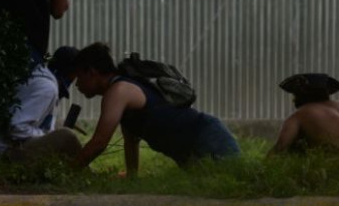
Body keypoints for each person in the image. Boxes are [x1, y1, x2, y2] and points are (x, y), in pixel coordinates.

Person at [71, 42, 240, 174]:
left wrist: (66, 172)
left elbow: (99, 143)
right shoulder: (122, 91)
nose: (77, 84)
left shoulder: (118, 91)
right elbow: (131, 141)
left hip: (209, 140)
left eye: (79, 77)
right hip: (197, 148)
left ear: (91, 72)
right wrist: (132, 177)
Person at [0, 46, 82, 162]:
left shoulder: (40, 77)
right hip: (6, 151)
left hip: (8, 146)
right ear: (70, 72)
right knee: (67, 137)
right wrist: (44, 135)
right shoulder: (47, 87)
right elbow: (15, 127)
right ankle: (85, 170)